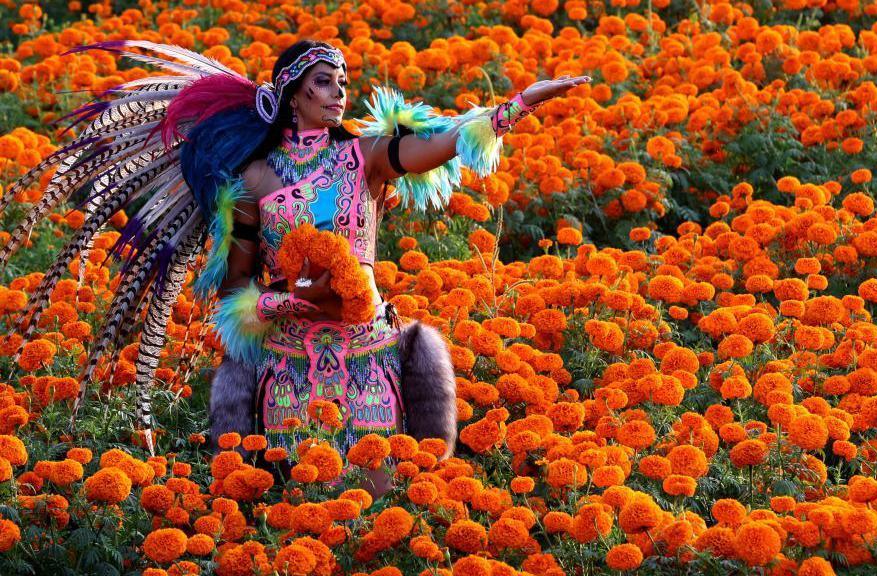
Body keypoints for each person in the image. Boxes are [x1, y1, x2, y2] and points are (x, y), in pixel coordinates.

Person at [1, 37, 589, 499]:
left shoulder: (365, 156)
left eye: (343, 84)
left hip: (366, 359)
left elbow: (447, 140)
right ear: (293, 94)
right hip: (287, 368)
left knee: (373, 509)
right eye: (324, 83)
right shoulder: (255, 178)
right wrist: (280, 302)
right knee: (295, 513)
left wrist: (520, 102)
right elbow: (235, 289)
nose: (339, 94)